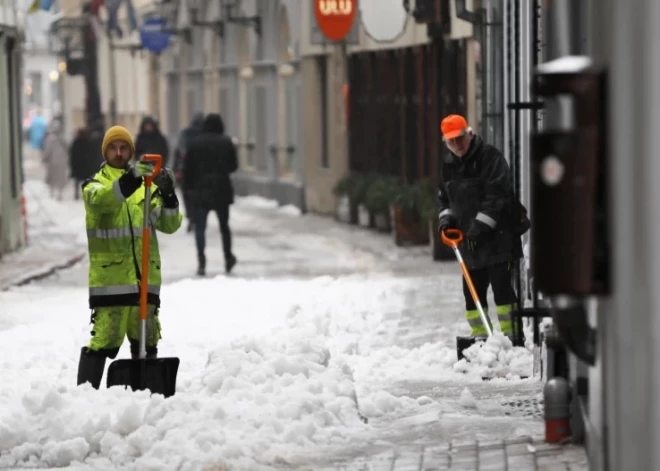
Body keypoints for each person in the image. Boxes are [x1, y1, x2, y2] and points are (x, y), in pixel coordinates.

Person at [76, 125, 182, 389]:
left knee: (147, 340)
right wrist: (131, 179)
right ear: (106, 152)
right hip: (110, 282)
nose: (119, 152)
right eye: (113, 147)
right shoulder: (94, 184)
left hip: (144, 282)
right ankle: (84, 398)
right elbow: (102, 200)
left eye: (124, 148)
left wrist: (168, 195)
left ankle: (146, 392)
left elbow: (169, 224)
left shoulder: (145, 187)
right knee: (104, 339)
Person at [437, 114, 524, 342]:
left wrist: (480, 227)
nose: (456, 144)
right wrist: (446, 221)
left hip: (499, 240)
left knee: (502, 291)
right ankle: (480, 339)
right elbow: (443, 199)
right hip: (469, 242)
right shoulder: (448, 166)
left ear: (469, 133)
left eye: (459, 138)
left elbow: (498, 196)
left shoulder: (490, 158)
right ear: (445, 142)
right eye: (451, 141)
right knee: (472, 295)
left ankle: (513, 339)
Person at [183, 113, 238, 276]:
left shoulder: (195, 144)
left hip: (201, 190)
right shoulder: (226, 142)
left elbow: (188, 169)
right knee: (224, 226)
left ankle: (201, 260)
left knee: (200, 227)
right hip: (221, 188)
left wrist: (188, 188)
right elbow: (233, 166)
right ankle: (228, 257)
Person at [173, 111, 205, 232]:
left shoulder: (184, 134)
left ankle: (190, 215)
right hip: (200, 171)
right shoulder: (205, 134)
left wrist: (176, 169)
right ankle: (197, 216)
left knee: (186, 194)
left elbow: (178, 152)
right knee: (198, 195)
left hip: (184, 169)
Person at [42, 119, 69, 200]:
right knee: (61, 177)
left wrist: (44, 158)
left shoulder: (50, 139)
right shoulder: (64, 138)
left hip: (52, 161)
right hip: (62, 160)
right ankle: (59, 194)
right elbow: (67, 148)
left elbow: (48, 150)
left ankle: (52, 192)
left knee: (52, 177)